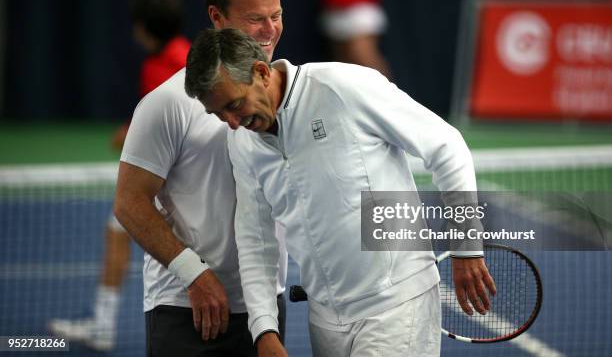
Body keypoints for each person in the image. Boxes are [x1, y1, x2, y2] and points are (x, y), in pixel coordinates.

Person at [184, 28, 497, 357]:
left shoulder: (342, 86)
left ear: (261, 73)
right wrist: (263, 329)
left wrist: (466, 247)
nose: (231, 122)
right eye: (218, 114)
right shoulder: (241, 141)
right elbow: (255, 239)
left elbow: (448, 147)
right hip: (325, 320)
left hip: (395, 305)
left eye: (235, 104)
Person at [112, 0, 287, 357]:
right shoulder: (168, 103)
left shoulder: (285, 96)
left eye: (276, 15)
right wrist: (195, 274)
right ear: (216, 16)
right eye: (255, 19)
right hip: (185, 306)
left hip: (265, 309)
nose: (270, 30)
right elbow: (128, 203)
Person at [48, 0, 191, 351]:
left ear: (145, 29)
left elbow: (169, 121)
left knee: (122, 229)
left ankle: (104, 325)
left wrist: (131, 134)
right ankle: (103, 322)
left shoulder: (163, 65)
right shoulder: (186, 54)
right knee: (121, 232)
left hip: (171, 175)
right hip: (175, 170)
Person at [319, 0, 393, 78]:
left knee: (364, 57)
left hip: (360, 7)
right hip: (335, 7)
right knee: (342, 64)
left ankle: (388, 96)